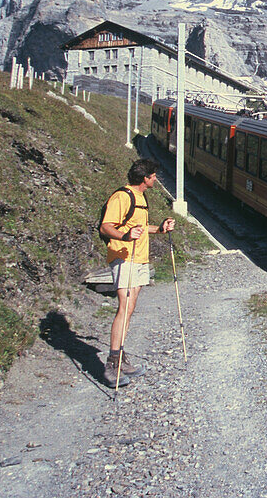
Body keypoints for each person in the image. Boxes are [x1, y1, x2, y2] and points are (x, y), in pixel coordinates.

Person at [100, 158, 175, 387]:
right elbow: (106, 226)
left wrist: (160, 229)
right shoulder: (122, 196)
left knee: (130, 308)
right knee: (125, 307)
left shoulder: (141, 198)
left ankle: (120, 357)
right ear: (145, 178)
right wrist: (124, 236)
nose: (155, 179)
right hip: (124, 257)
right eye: (153, 177)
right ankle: (112, 363)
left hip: (139, 258)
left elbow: (139, 229)